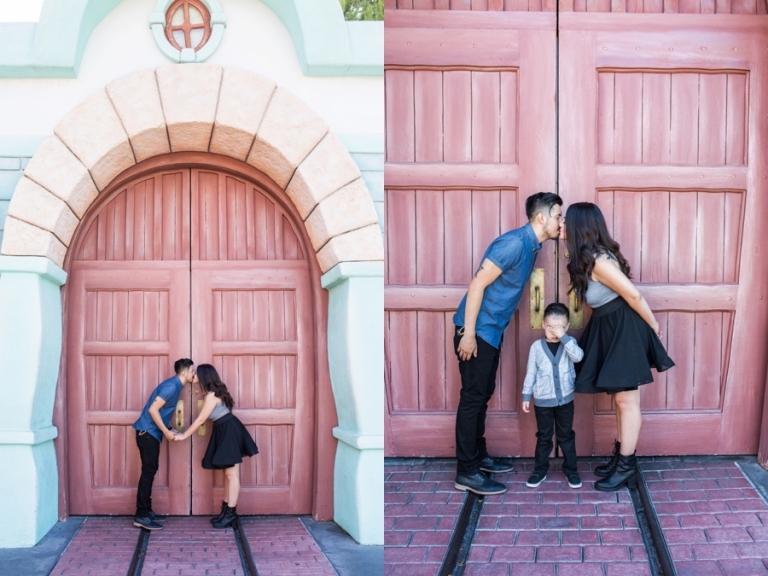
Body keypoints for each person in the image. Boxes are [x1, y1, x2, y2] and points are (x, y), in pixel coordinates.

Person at [453, 192, 563, 495]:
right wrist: (469, 334)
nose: (561, 222)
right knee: (473, 399)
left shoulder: (532, 245)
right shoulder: (514, 243)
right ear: (541, 218)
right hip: (477, 331)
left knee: (481, 396)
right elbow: (477, 283)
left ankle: (478, 457)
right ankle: (467, 472)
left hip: (490, 331)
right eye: (558, 216)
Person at [564, 202, 674, 492]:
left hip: (622, 328)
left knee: (627, 401)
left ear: (578, 227)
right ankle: (623, 458)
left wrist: (653, 324)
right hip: (609, 327)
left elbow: (633, 295)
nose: (562, 226)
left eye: (565, 222)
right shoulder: (590, 258)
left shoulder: (600, 261)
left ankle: (626, 467)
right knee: (621, 400)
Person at [174, 364, 258, 528]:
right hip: (225, 429)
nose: (194, 375)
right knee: (228, 474)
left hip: (228, 431)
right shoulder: (212, 393)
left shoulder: (212, 395)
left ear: (204, 376)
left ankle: (230, 515)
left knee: (231, 475)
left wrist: (184, 435)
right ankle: (226, 512)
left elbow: (201, 419)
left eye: (196, 373)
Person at [522, 303, 584, 489]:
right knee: (544, 436)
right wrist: (526, 395)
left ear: (567, 327)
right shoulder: (536, 347)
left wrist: (564, 338)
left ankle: (571, 470)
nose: (554, 331)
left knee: (566, 436)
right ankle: (540, 470)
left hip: (565, 400)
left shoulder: (569, 343)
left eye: (559, 328)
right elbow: (531, 372)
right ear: (543, 324)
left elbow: (578, 357)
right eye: (550, 326)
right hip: (543, 402)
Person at [132, 358, 195, 530]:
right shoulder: (171, 387)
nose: (194, 374)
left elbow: (161, 412)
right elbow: (152, 410)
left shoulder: (175, 386)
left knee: (150, 471)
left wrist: (169, 428)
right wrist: (166, 433)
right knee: (148, 472)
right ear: (184, 373)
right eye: (192, 371)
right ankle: (141, 515)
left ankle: (146, 511)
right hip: (147, 433)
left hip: (150, 433)